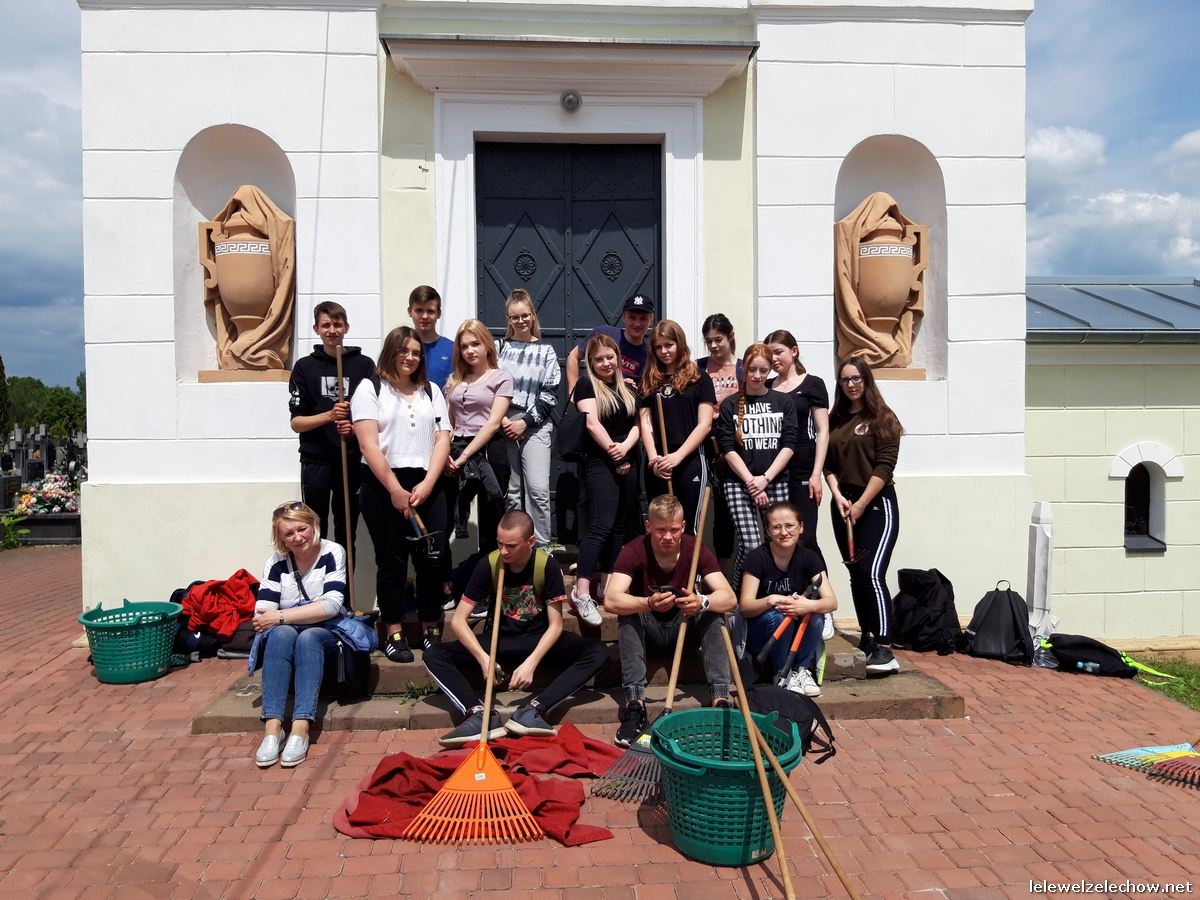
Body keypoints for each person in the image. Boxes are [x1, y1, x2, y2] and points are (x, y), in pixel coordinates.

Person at [423, 510, 610, 746]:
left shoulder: (547, 566)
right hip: (499, 641)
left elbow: (556, 625)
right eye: (500, 543)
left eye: (511, 546)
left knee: (599, 651)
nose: (504, 551)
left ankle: (535, 710)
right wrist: (483, 659)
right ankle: (477, 715)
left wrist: (531, 663)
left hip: (538, 639)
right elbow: (459, 620)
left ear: (530, 541)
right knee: (433, 654)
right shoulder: (489, 564)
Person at [604, 494, 737, 747]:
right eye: (660, 530)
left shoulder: (695, 547)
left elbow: (729, 597)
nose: (668, 537)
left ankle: (720, 700)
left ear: (683, 527)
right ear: (648, 526)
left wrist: (702, 602)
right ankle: (635, 706)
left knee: (714, 613)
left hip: (685, 631)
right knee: (628, 615)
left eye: (674, 530)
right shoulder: (633, 550)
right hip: (647, 632)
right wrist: (647, 603)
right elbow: (611, 600)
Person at [352, 326, 452, 662]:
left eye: (415, 352)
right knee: (392, 560)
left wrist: (427, 483)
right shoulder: (370, 389)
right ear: (391, 351)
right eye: (404, 350)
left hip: (427, 483)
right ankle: (393, 631)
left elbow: (442, 438)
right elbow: (368, 443)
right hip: (383, 486)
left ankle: (430, 629)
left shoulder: (431, 390)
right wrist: (395, 489)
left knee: (431, 561)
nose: (410, 357)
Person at [250, 502, 348, 769]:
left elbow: (331, 606)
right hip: (288, 635)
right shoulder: (276, 563)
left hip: (327, 634)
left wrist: (282, 616)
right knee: (280, 635)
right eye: (288, 534)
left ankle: (300, 729)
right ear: (280, 538)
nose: (297, 538)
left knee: (305, 636)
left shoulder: (332, 552)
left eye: (302, 529)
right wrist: (288, 617)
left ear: (314, 525)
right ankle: (273, 730)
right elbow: (262, 614)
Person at [825, 356, 903, 676]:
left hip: (875, 505)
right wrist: (839, 496)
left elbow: (885, 467)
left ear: (866, 380)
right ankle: (868, 639)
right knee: (856, 574)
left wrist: (860, 504)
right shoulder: (836, 419)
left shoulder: (882, 418)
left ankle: (885, 647)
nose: (851, 384)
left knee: (871, 573)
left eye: (856, 378)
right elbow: (826, 463)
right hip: (843, 505)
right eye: (845, 380)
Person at [288, 301, 376, 560]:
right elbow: (296, 423)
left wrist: (352, 430)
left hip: (350, 460)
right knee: (314, 528)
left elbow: (375, 415)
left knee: (347, 530)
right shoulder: (305, 367)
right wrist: (329, 415)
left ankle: (344, 595)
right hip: (316, 459)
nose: (332, 330)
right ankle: (318, 594)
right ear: (316, 328)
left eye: (337, 324)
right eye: (326, 325)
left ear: (346, 327)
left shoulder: (364, 366)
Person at [570, 333, 641, 628]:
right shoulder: (586, 385)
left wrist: (626, 451)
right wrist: (616, 454)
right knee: (600, 525)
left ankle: (607, 587)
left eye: (609, 357)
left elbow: (639, 423)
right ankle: (581, 591)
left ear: (617, 358)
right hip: (601, 460)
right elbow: (591, 422)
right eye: (598, 359)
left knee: (620, 528)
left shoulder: (627, 387)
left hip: (628, 458)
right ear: (590, 362)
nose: (605, 363)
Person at [715, 343, 798, 586]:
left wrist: (766, 479)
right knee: (751, 543)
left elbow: (789, 445)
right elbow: (727, 449)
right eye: (752, 370)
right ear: (743, 368)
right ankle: (740, 592)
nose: (757, 376)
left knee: (776, 542)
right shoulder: (730, 404)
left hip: (775, 481)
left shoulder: (783, 402)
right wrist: (752, 482)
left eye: (763, 371)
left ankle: (765, 590)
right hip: (739, 483)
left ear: (770, 370)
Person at [738, 502, 837, 697]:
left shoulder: (809, 557)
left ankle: (800, 670)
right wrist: (771, 600)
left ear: (801, 527)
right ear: (768, 531)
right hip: (762, 634)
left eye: (789, 525)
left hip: (794, 634)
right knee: (779, 614)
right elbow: (745, 607)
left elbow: (831, 602)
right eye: (776, 527)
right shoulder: (757, 558)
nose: (784, 532)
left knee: (816, 615)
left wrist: (807, 605)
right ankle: (781, 673)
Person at [496, 289, 561, 551]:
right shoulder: (498, 348)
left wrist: (525, 422)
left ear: (533, 315)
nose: (520, 321)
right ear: (508, 319)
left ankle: (541, 550)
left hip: (535, 426)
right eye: (515, 317)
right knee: (511, 492)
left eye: (525, 315)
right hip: (503, 424)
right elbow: (490, 387)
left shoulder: (546, 351)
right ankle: (513, 548)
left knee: (538, 491)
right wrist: (503, 421)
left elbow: (550, 391)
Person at [444, 319, 514, 558]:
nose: (470, 351)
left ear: (487, 346)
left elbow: (494, 422)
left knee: (492, 519)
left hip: (488, 450)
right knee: (447, 514)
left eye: (475, 344)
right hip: (455, 449)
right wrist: (447, 455)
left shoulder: (501, 377)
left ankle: (494, 585)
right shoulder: (453, 380)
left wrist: (465, 455)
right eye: (464, 346)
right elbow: (448, 422)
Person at [638, 320, 715, 536]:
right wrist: (654, 459)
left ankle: (689, 570)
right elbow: (646, 423)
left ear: (679, 344)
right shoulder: (648, 380)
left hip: (689, 459)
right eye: (658, 347)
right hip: (658, 462)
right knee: (660, 525)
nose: (664, 351)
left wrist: (677, 457)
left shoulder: (700, 379)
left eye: (669, 345)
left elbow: (705, 424)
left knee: (687, 525)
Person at [765, 330, 830, 554]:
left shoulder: (813, 384)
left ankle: (822, 589)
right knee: (779, 537)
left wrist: (816, 475)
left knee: (805, 538)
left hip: (803, 465)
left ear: (793, 351)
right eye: (769, 354)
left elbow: (822, 431)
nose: (773, 359)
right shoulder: (767, 386)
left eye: (778, 352)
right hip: (775, 466)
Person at [565, 292, 655, 393]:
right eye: (632, 317)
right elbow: (573, 356)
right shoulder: (604, 333)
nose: (637, 323)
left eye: (643, 319)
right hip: (595, 400)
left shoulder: (649, 356)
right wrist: (573, 390)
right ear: (623, 317)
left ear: (651, 321)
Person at [407, 285, 455, 390]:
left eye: (430, 311)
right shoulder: (400, 348)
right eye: (419, 310)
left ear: (439, 313)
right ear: (409, 311)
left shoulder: (454, 349)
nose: (425, 316)